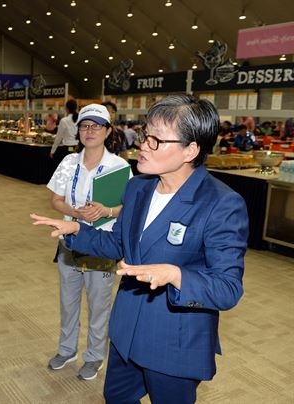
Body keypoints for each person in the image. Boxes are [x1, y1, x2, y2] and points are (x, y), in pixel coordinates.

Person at [31, 95, 248, 404]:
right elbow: (119, 243)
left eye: (157, 140)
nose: (144, 145)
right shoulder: (138, 187)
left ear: (191, 149)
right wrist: (78, 229)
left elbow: (227, 289)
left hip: (174, 341)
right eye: (147, 135)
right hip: (125, 332)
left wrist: (175, 275)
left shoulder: (220, 204)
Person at [46, 104, 131, 381]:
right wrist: (75, 213)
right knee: (68, 302)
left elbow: (128, 207)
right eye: (84, 126)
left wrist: (106, 211)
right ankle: (67, 349)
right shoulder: (68, 162)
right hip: (69, 242)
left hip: (101, 245)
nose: (89, 131)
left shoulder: (119, 167)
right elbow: (56, 199)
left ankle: (94, 356)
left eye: (96, 126)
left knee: (98, 305)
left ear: (107, 131)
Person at [50, 99, 80, 167]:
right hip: (78, 148)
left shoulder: (64, 121)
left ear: (67, 109)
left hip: (68, 149)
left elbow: (58, 137)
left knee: (67, 169)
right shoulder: (79, 119)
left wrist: (53, 151)